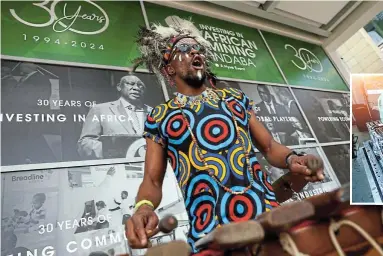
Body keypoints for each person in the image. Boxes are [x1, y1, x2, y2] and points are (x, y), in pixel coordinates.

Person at [126, 22, 325, 255]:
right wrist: (143, 207)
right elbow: (152, 180)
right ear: (169, 69)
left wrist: (292, 159)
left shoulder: (234, 98)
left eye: (197, 48)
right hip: (211, 234)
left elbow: (269, 147)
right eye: (185, 49)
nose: (194, 52)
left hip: (268, 220)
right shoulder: (160, 116)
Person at [77, 74, 152, 159]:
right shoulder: (100, 110)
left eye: (140, 85)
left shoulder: (154, 112)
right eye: (131, 84)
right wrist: (113, 150)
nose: (136, 88)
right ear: (119, 87)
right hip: (117, 168)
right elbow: (85, 143)